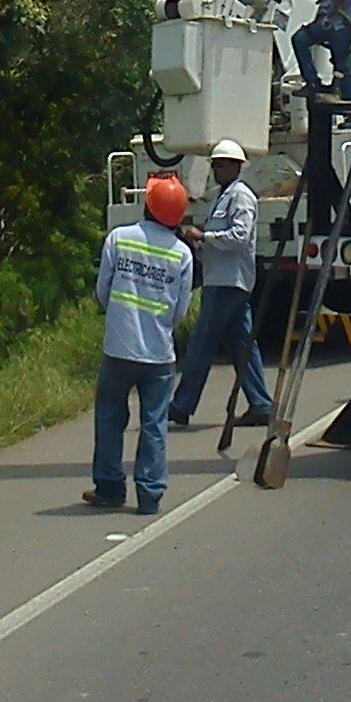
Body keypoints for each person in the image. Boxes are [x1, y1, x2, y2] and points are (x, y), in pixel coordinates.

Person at [87, 172, 194, 516]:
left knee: (109, 418)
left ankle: (109, 488)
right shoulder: (182, 254)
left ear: (148, 204)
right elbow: (181, 310)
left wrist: (119, 316)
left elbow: (103, 290)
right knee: (154, 424)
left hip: (119, 347)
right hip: (159, 354)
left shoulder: (119, 238)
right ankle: (149, 496)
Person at [169, 140, 274, 432]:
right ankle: (261, 404)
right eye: (215, 165)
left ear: (237, 167)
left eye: (222, 165)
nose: (217, 169)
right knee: (242, 344)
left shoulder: (241, 197)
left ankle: (181, 405)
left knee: (202, 342)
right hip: (223, 279)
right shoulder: (222, 196)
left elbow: (239, 237)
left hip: (229, 282)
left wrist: (204, 238)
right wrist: (200, 245)